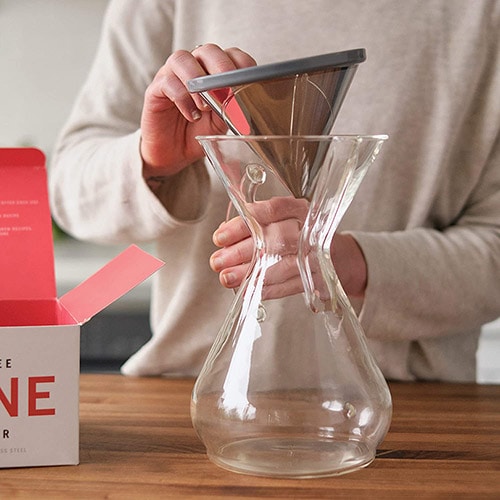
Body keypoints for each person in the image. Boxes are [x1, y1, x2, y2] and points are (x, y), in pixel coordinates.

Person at [49, 0, 500, 382]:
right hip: (191, 390)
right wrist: (155, 159)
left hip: (419, 409)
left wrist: (345, 261)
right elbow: (70, 192)